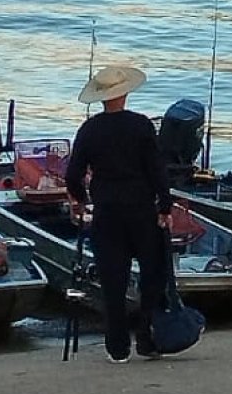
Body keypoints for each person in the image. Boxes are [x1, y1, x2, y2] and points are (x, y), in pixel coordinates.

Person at [65, 65, 174, 363]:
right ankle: (147, 337)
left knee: (113, 278)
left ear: (101, 97)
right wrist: (165, 206)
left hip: (107, 210)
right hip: (141, 208)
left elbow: (73, 174)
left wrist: (81, 199)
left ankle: (117, 346)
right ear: (124, 92)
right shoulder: (141, 125)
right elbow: (156, 170)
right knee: (153, 273)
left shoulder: (90, 129)